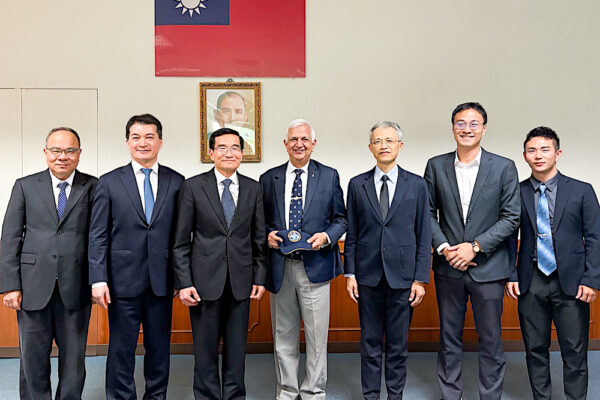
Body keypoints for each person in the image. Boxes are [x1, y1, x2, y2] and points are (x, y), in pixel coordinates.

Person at [424, 102, 520, 400]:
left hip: (489, 268)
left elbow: (511, 217)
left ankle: (490, 395)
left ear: (484, 129)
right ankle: (450, 394)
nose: (467, 129)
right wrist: (445, 248)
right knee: (448, 338)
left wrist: (475, 247)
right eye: (461, 123)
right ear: (453, 127)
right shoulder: (436, 165)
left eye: (474, 123)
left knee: (490, 339)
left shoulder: (504, 167)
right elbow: (426, 213)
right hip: (448, 266)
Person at [88, 114, 184, 400]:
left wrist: (182, 279)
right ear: (127, 142)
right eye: (136, 137)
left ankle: (156, 396)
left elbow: (182, 237)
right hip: (121, 282)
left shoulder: (177, 182)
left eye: (149, 137)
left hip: (162, 281)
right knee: (121, 349)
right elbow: (98, 234)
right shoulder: (109, 182)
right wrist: (98, 279)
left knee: (159, 349)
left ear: (160, 142)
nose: (143, 143)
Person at [0, 127, 97, 399]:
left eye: (69, 150)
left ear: (79, 153)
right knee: (32, 360)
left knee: (74, 361)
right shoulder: (25, 186)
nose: (62, 156)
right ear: (45, 153)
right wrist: (10, 285)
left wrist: (98, 280)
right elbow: (10, 237)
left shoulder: (93, 186)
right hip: (32, 287)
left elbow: (99, 237)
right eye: (56, 150)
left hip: (76, 285)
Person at [506, 126, 600, 400]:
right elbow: (508, 237)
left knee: (575, 350)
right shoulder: (516, 192)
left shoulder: (581, 190)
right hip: (531, 280)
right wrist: (511, 274)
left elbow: (595, 237)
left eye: (545, 149)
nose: (538, 155)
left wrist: (591, 279)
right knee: (535, 348)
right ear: (524, 155)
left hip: (572, 282)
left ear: (557, 153)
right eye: (532, 150)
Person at [173, 127, 267, 400]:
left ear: (242, 153)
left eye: (235, 148)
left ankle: (235, 396)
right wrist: (184, 283)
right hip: (203, 283)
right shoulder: (193, 187)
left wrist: (259, 277)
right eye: (222, 148)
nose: (229, 153)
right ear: (211, 153)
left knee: (237, 351)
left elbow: (259, 238)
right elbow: (181, 241)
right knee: (205, 351)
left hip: (241, 282)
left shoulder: (254, 188)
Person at [260, 119, 346, 400]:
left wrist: (327, 236)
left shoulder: (329, 176)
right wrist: (268, 234)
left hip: (316, 267)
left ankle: (313, 392)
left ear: (313, 144)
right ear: (285, 144)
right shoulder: (269, 178)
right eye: (294, 139)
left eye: (304, 139)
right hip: (280, 267)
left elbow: (341, 219)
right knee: (283, 335)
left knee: (317, 337)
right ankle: (286, 390)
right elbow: (259, 221)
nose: (299, 144)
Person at [344, 121, 432, 400]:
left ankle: (395, 395)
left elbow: (424, 234)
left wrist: (420, 279)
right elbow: (352, 233)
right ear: (370, 148)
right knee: (369, 343)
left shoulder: (417, 185)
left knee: (397, 344)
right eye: (378, 141)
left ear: (400, 146)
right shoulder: (357, 184)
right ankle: (371, 395)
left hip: (403, 278)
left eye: (389, 141)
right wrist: (350, 274)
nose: (384, 146)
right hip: (367, 276)